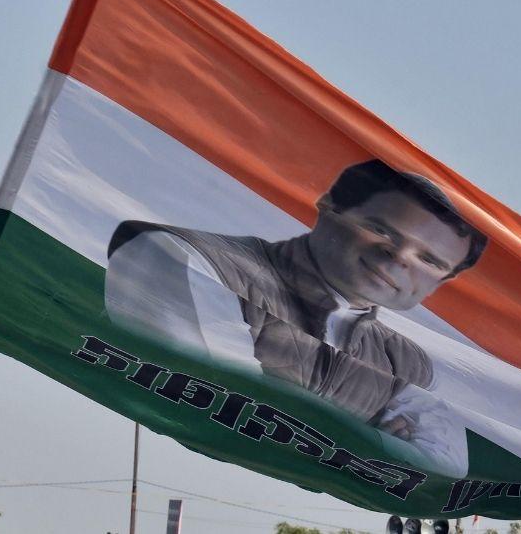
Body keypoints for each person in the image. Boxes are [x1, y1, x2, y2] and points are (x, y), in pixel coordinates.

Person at [105, 159, 487, 475]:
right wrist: (373, 445)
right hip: (166, 480)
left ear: (442, 281)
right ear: (329, 207)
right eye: (380, 229)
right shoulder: (185, 258)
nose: (400, 258)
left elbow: (441, 471)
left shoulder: (409, 362)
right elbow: (223, 406)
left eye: (430, 260)